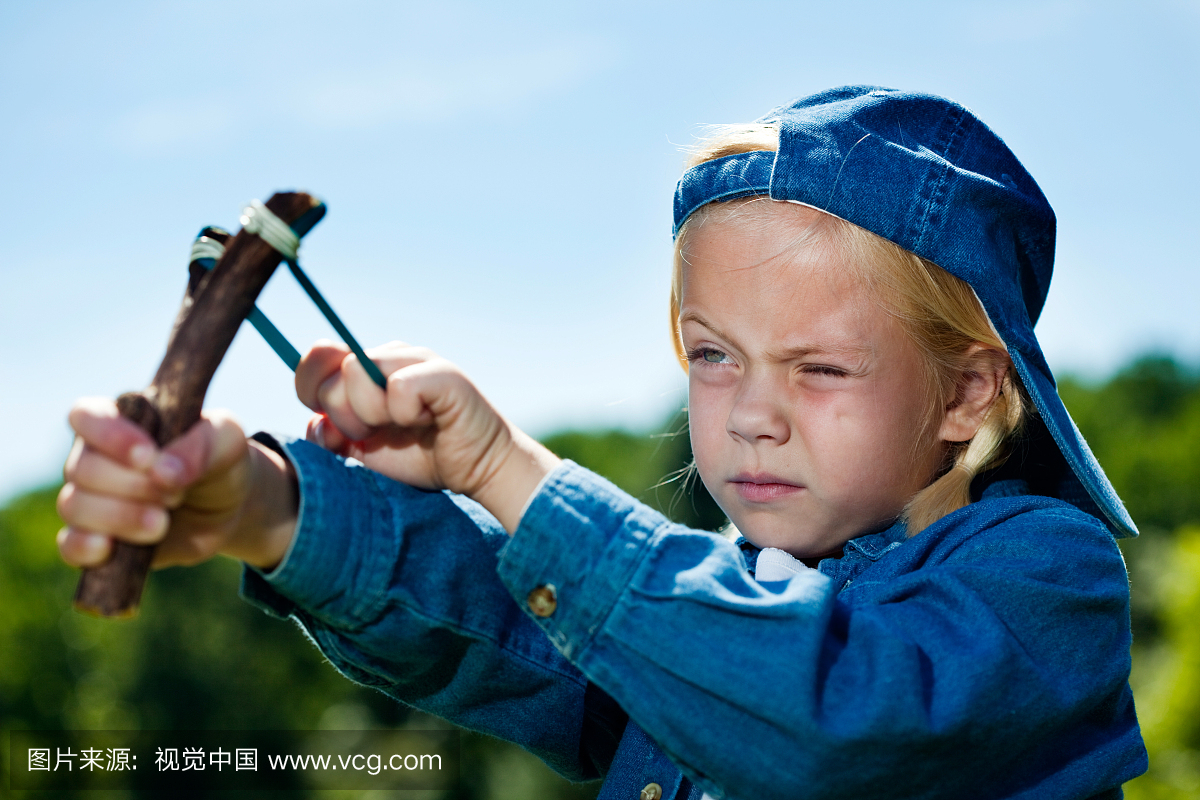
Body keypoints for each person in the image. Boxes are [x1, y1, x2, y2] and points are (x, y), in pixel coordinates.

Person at [57, 86, 1149, 799]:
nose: (749, 413)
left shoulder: (1044, 575)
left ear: (967, 392)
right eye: (714, 355)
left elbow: (847, 716)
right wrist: (266, 507)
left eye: (819, 367)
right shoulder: (713, 594)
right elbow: (517, 627)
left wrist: (507, 469)